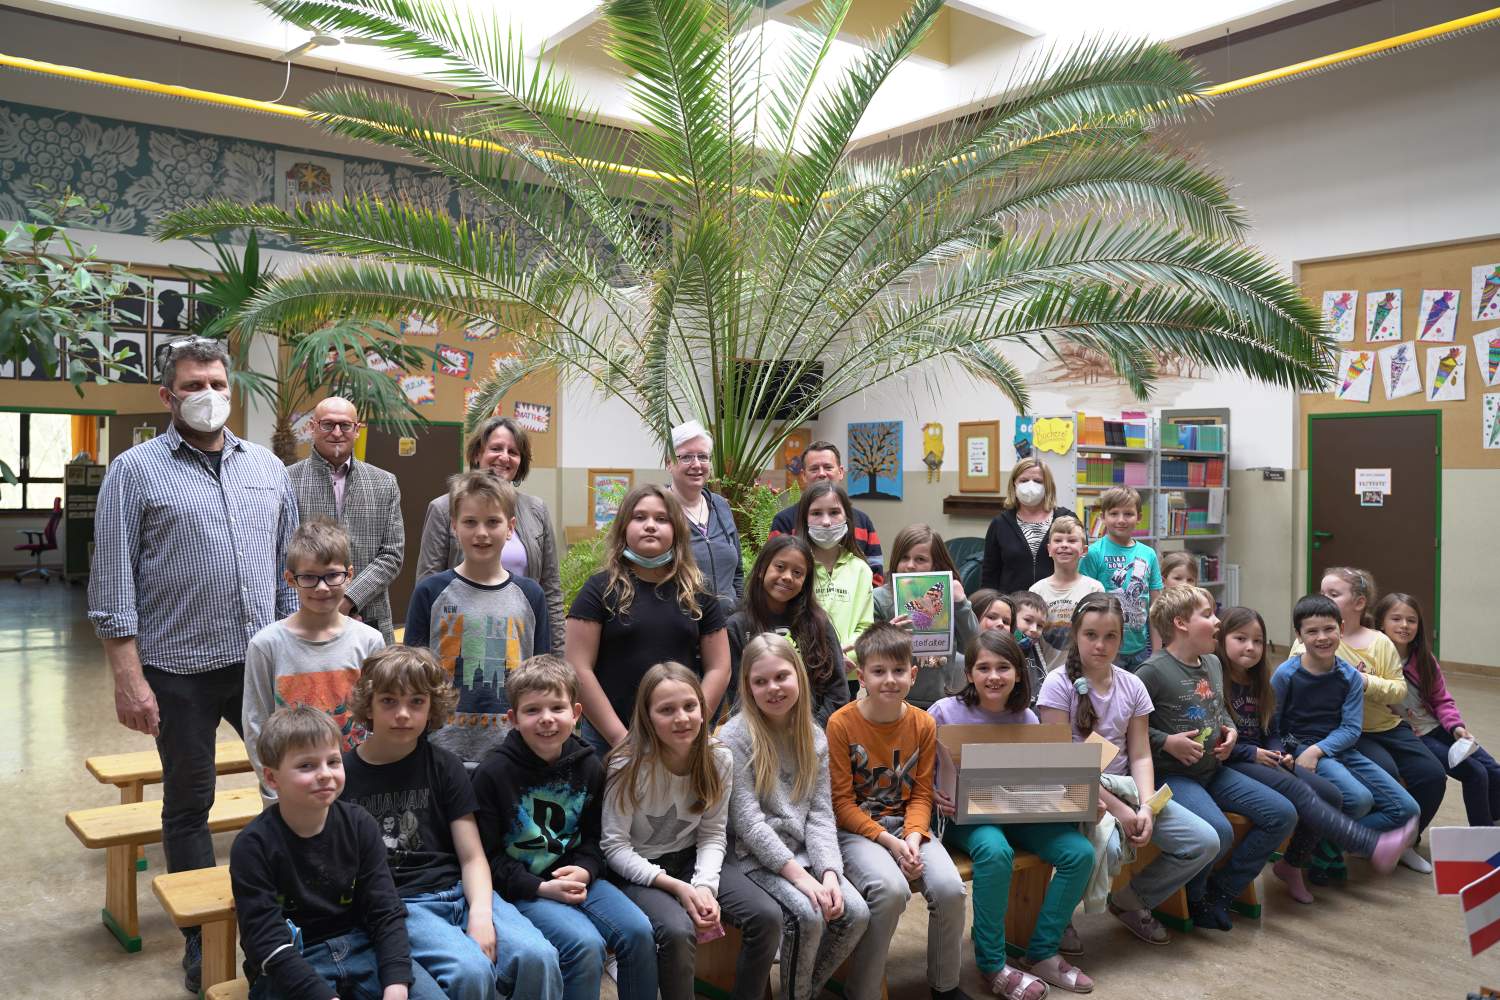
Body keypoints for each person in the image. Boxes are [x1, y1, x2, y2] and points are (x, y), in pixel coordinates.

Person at [89, 336, 298, 991]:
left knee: (290, 785)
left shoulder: (267, 468)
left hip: (261, 663)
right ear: (167, 395)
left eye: (217, 384)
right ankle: (199, 939)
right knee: (189, 802)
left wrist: (297, 650)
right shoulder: (135, 471)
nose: (208, 395)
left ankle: (288, 917)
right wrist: (129, 679)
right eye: (193, 386)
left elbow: (289, 572)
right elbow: (112, 580)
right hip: (177, 670)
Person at [342, 646, 562, 1000]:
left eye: (416, 702)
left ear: (432, 707)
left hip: (461, 891)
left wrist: (481, 914)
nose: (403, 714)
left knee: (538, 956)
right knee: (470, 971)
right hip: (404, 905)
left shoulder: (445, 766)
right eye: (388, 701)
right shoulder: (342, 777)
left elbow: (472, 857)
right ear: (368, 705)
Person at [1035, 594, 1219, 947]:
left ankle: (1131, 901)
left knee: (1203, 841)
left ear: (1122, 638)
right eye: (1091, 635)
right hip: (1073, 790)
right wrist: (1120, 811)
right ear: (1076, 635)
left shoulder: (1132, 685)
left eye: (1111, 636)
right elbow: (1060, 763)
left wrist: (1147, 806)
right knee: (1103, 846)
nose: (1100, 645)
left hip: (1127, 791)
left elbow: (1140, 754)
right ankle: (1058, 917)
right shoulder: (1058, 685)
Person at [472, 656, 658, 1000]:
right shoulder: (493, 774)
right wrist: (540, 888)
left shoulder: (589, 766)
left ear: (575, 713)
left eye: (557, 708)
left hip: (578, 879)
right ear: (513, 719)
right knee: (585, 945)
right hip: (523, 888)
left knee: (638, 931)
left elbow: (596, 838)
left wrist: (586, 869)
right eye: (532, 710)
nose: (546, 719)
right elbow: (485, 858)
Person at [230, 705, 438, 1000]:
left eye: (333, 761)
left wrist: (396, 983)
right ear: (272, 778)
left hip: (361, 947)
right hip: (292, 963)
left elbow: (385, 912)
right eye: (306, 766)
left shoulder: (360, 825)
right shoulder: (253, 846)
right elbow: (265, 942)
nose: (325, 774)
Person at [601, 662, 781, 1000]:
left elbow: (712, 833)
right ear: (647, 717)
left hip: (690, 859)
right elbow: (615, 848)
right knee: (676, 930)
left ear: (702, 709)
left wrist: (704, 886)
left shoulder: (718, 757)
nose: (681, 718)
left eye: (689, 706)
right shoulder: (627, 764)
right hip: (637, 871)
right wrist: (679, 888)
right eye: (666, 710)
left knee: (767, 917)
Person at [930, 630, 1094, 997]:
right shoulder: (943, 712)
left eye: (1003, 667)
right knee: (995, 851)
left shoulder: (1027, 717)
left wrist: (1078, 796)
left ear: (1018, 673)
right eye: (983, 668)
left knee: (1079, 852)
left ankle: (1042, 952)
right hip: (962, 818)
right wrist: (929, 791)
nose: (993, 676)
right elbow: (915, 766)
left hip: (1020, 812)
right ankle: (992, 963)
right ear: (969, 673)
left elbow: (1039, 782)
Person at [1216, 606, 1411, 905]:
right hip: (1241, 759)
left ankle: (1295, 863)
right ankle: (1367, 844)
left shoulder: (1261, 679)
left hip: (1274, 754)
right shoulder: (1220, 680)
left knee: (1332, 795)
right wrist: (1260, 751)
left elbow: (1272, 727)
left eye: (1257, 641)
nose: (1251, 647)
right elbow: (1220, 740)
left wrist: (1279, 751)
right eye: (1241, 639)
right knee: (1303, 794)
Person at [1137, 587, 1297, 931]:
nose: (1217, 622)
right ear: (1181, 623)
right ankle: (1195, 898)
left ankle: (1221, 891)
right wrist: (1167, 742)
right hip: (1174, 777)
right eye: (1208, 614)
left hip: (1214, 770)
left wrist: (1231, 731)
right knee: (1220, 832)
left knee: (1282, 814)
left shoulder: (1211, 662)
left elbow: (1219, 709)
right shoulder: (1151, 672)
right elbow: (1128, 731)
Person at [721, 634, 871, 1000]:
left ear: (798, 677)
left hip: (802, 851)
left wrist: (829, 873)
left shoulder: (813, 735)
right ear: (748, 687)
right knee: (808, 914)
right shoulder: (734, 736)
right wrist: (803, 880)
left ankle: (801, 992)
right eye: (760, 681)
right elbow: (748, 824)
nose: (773, 688)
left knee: (856, 913)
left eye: (781, 676)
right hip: (753, 857)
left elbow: (820, 815)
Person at [829, 623, 969, 1000]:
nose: (889, 680)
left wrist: (912, 838)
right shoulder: (841, 724)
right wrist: (892, 844)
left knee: (950, 890)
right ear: (862, 676)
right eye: (878, 671)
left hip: (908, 827)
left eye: (898, 670)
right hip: (858, 831)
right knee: (890, 892)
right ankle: (863, 991)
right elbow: (841, 805)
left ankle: (945, 986)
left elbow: (921, 793)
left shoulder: (923, 723)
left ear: (913, 674)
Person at [566, 484, 729, 757]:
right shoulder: (599, 589)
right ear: (623, 527)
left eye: (662, 519)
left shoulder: (697, 592)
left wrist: (693, 724)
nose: (650, 525)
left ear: (677, 530)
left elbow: (720, 667)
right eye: (639, 517)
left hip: (681, 737)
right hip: (610, 739)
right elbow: (577, 667)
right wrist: (621, 739)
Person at [405, 473, 549, 764]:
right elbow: (411, 676)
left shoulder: (531, 595)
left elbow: (541, 677)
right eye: (470, 522)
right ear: (454, 526)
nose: (481, 533)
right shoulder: (430, 592)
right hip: (440, 750)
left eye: (492, 522)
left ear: (510, 528)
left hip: (512, 751)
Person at [1307, 568, 1445, 873]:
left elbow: (1397, 690)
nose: (1324, 599)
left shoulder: (1380, 642)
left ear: (1359, 603)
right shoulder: (1317, 637)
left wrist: (1363, 681)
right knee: (1389, 774)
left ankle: (1404, 843)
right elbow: (1301, 679)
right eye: (1321, 592)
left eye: (1333, 594)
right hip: (1351, 732)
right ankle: (1362, 840)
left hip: (1388, 726)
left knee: (1433, 775)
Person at [243, 519, 385, 803]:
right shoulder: (266, 645)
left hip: (359, 789)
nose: (321, 588)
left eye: (332, 576)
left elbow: (377, 718)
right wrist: (275, 789)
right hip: (292, 791)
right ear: (290, 579)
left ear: (349, 575)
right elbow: (256, 723)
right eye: (309, 577)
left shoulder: (369, 641)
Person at [1272, 595, 1420, 848]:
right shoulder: (1285, 674)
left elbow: (1351, 728)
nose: (1322, 637)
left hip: (1338, 748)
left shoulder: (1350, 676)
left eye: (1329, 629)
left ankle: (1323, 849)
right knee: (1359, 800)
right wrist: (1294, 754)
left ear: (1341, 629)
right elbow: (1272, 725)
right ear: (1299, 635)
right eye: (1312, 631)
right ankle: (1314, 849)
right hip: (1298, 749)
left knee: (1407, 809)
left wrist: (1318, 750)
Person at [416, 415, 564, 651]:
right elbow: (428, 583)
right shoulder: (443, 508)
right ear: (477, 454)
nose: (504, 457)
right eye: (496, 448)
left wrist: (556, 657)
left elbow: (551, 591)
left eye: (513, 452)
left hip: (519, 640)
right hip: (459, 640)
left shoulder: (536, 510)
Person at [286, 396, 405, 642]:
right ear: (313, 427)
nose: (337, 432)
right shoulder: (288, 480)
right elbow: (283, 552)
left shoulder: (384, 483)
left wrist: (349, 599)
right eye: (328, 424)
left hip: (369, 615)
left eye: (345, 425)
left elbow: (392, 555)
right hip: (306, 616)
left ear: (357, 430)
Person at [1377, 592, 1500, 827]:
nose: (1404, 625)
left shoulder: (1424, 659)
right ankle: (1482, 835)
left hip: (1439, 727)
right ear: (1381, 623)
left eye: (1411, 620)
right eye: (1396, 619)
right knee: (1476, 774)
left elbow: (1442, 700)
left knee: (1494, 771)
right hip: (1413, 736)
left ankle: (1494, 829)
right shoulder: (1376, 660)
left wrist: (1456, 728)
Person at [725, 535, 849, 725]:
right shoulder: (737, 626)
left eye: (798, 573)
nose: (788, 577)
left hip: (813, 732)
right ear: (761, 570)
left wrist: (811, 731)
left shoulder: (818, 623)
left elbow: (838, 690)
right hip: (757, 734)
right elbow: (736, 695)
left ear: (805, 581)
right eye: (780, 567)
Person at [872, 525, 976, 709]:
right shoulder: (880, 598)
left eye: (920, 559)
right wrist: (887, 634)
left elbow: (973, 646)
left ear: (935, 564)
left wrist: (961, 604)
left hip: (939, 702)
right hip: (891, 700)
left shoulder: (948, 596)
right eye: (904, 558)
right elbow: (867, 653)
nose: (910, 565)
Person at [794, 481, 873, 698]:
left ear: (847, 517)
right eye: (816, 513)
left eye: (834, 512)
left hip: (847, 674)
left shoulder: (860, 569)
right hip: (800, 674)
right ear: (804, 518)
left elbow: (865, 627)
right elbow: (788, 623)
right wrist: (824, 659)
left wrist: (842, 659)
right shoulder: (795, 566)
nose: (826, 522)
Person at [768, 440, 884, 580]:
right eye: (814, 469)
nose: (822, 474)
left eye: (828, 467)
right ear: (803, 476)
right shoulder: (784, 521)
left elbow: (876, 572)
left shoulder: (862, 522)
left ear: (840, 472)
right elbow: (773, 571)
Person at [1078, 487, 1162, 672]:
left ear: (1139, 517)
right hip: (1105, 649)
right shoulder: (1094, 553)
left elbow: (1156, 608)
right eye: (1114, 513)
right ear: (1103, 516)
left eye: (1128, 514)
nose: (1121, 520)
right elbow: (1084, 606)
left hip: (1141, 648)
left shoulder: (1149, 554)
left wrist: (1157, 651)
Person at [666, 420, 743, 616]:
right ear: (669, 463)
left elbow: (738, 573)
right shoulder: (659, 510)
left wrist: (739, 612)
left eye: (702, 456)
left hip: (727, 624)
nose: (696, 464)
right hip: (682, 624)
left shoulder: (721, 506)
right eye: (686, 457)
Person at [980, 457, 1076, 594]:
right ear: (1014, 484)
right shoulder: (1000, 524)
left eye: (1038, 481)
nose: (1030, 486)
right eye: (1024, 481)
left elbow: (1081, 564)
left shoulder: (1066, 519)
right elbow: (990, 574)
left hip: (1058, 600)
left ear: (1047, 486)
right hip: (1012, 603)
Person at [1031, 516, 1103, 655]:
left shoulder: (1095, 589)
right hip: (1046, 666)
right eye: (1058, 540)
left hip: (1084, 666)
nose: (1064, 545)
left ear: (1084, 550)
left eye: (1071, 540)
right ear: (1049, 549)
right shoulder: (1036, 591)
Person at [1007, 590, 1052, 703]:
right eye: (1028, 620)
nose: (1034, 629)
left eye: (1040, 625)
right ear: (1010, 617)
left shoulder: (1036, 647)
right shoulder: (1000, 648)